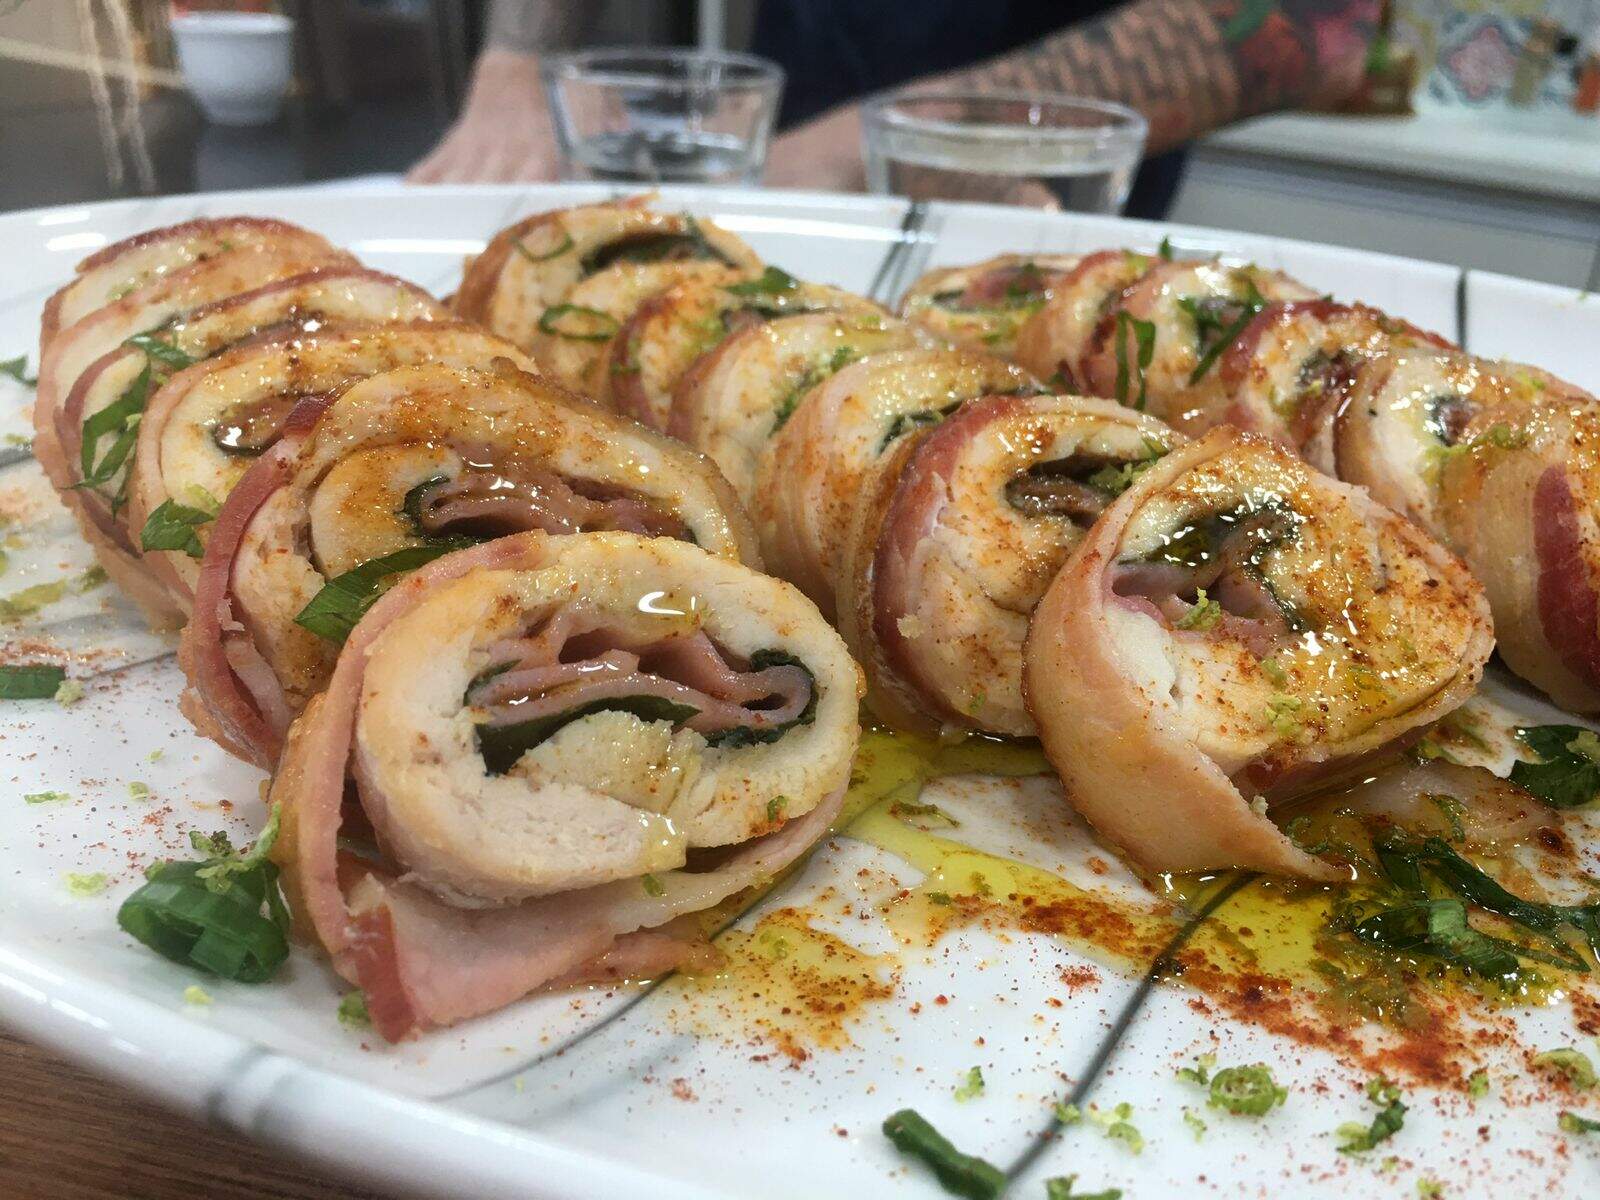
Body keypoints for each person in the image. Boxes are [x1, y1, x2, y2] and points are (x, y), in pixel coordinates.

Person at [409, 0, 1377, 218]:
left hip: (1038, 203)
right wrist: (515, 63)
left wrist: (865, 147)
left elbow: (1324, 25)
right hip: (777, 172)